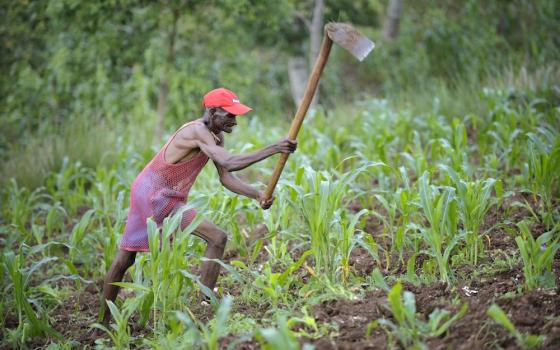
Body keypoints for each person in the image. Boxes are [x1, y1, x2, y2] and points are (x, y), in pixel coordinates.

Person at [100, 87, 297, 323]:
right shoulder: (196, 131)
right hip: (152, 194)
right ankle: (103, 321)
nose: (234, 121)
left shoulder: (216, 135)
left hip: (166, 195)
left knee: (214, 239)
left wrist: (256, 194)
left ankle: (202, 307)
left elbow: (225, 176)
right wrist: (274, 148)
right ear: (212, 111)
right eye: (229, 115)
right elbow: (228, 161)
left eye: (236, 116)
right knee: (128, 257)